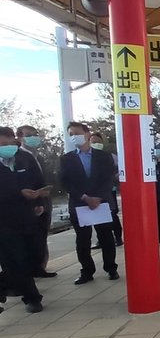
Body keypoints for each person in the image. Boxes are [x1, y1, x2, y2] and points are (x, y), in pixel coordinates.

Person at [59, 122, 119, 285]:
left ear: (86, 134)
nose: (74, 136)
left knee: (106, 237)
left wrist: (98, 197)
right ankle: (87, 271)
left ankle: (111, 268)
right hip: (80, 204)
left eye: (76, 133)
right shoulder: (67, 159)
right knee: (83, 240)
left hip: (101, 203)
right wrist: (85, 197)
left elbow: (109, 178)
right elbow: (65, 182)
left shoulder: (103, 156)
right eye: (71, 133)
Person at [0, 126, 45, 313]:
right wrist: (19, 193)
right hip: (4, 220)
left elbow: (37, 180)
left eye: (8, 142)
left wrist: (39, 199)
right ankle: (32, 298)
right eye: (2, 144)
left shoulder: (24, 158)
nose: (6, 146)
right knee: (16, 259)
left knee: (34, 256)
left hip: (28, 215)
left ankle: (5, 286)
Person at [15, 125, 56, 278]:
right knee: (33, 237)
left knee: (42, 235)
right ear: (20, 137)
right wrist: (35, 202)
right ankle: (32, 269)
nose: (32, 138)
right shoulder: (18, 157)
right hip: (31, 203)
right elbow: (24, 183)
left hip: (45, 201)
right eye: (28, 135)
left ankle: (40, 267)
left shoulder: (38, 156)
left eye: (34, 134)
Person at [89, 132, 123, 247]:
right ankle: (101, 239)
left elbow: (119, 172)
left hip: (109, 191)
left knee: (112, 215)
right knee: (97, 217)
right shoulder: (87, 158)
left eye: (98, 142)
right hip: (93, 193)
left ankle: (118, 237)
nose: (96, 144)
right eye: (93, 142)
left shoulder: (110, 156)